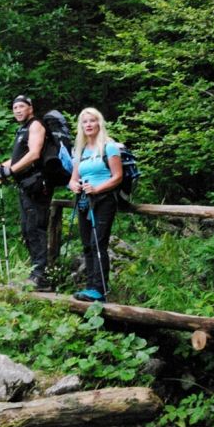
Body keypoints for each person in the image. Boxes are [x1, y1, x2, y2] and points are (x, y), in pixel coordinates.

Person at [0, 94, 53, 291]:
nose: (18, 110)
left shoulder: (36, 125)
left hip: (38, 186)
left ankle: (41, 276)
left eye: (21, 106)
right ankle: (36, 273)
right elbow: (16, 159)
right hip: (27, 186)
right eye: (14, 108)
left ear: (30, 107)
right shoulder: (23, 129)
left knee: (35, 228)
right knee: (27, 229)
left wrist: (9, 171)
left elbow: (34, 154)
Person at [67, 108, 123, 302]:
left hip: (104, 200)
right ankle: (90, 287)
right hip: (84, 200)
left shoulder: (109, 147)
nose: (88, 124)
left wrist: (97, 189)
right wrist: (74, 186)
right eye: (85, 122)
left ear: (99, 123)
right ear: (81, 126)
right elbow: (73, 179)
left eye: (92, 121)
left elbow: (117, 177)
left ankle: (100, 290)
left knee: (98, 243)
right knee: (86, 245)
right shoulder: (80, 150)